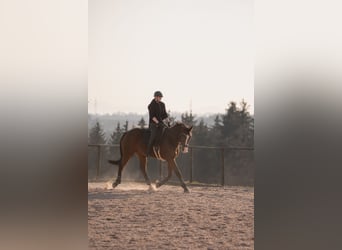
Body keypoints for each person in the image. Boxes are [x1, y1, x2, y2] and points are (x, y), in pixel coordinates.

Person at [146, 91, 169, 156]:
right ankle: (148, 149)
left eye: (160, 97)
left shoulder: (162, 104)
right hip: (153, 124)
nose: (160, 98)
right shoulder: (151, 105)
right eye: (159, 97)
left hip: (161, 123)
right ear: (155, 97)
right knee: (153, 135)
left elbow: (164, 114)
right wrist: (158, 123)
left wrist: (168, 121)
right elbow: (152, 116)